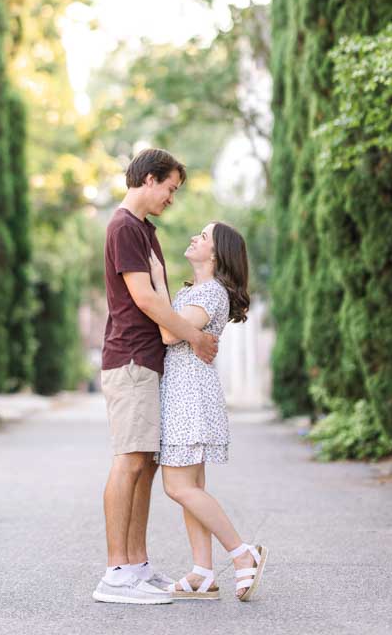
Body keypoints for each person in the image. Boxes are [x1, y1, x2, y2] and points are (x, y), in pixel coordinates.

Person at [93, 149, 221, 607]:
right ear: (149, 179)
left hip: (149, 360)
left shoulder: (145, 230)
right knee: (129, 461)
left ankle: (136, 565)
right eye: (170, 188)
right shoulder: (124, 227)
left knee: (145, 464)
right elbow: (146, 299)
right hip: (129, 359)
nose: (171, 198)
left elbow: (161, 295)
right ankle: (114, 574)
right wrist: (196, 337)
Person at [147, 221, 267, 602]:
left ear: (216, 254)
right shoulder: (198, 289)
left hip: (190, 397)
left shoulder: (212, 292)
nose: (195, 237)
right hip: (184, 393)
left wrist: (154, 279)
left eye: (204, 235)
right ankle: (202, 572)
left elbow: (169, 334)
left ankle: (241, 552)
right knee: (192, 488)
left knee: (178, 487)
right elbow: (177, 329)